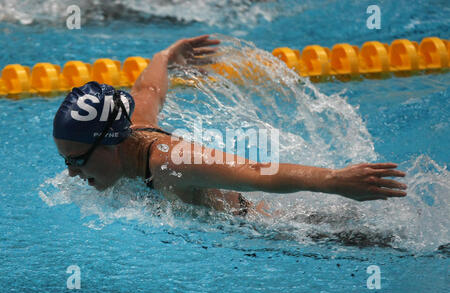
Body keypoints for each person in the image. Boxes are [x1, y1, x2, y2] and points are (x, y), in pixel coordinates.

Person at [53, 35, 407, 216]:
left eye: (77, 160)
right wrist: (165, 57)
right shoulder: (134, 128)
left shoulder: (169, 161)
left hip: (266, 229)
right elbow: (147, 90)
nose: (70, 173)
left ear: (110, 145)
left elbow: (256, 171)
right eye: (67, 161)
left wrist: (334, 180)